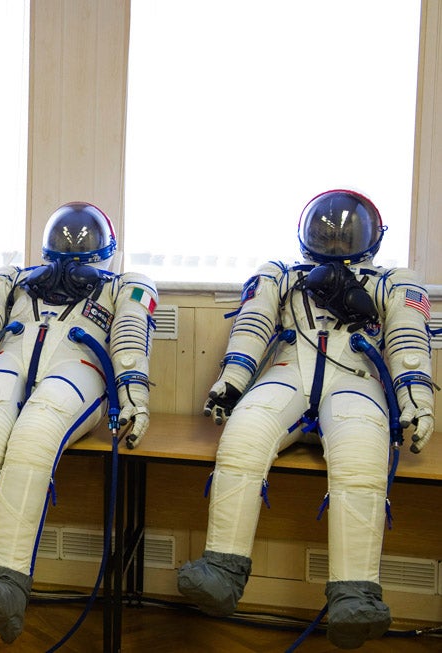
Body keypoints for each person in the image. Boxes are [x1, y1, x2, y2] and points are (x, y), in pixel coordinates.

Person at [177, 189, 436, 649]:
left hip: (356, 379)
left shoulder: (394, 282)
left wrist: (417, 400)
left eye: (346, 234)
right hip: (287, 371)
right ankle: (221, 567)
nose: (335, 241)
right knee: (244, 434)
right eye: (325, 233)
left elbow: (408, 342)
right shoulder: (280, 275)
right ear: (307, 233)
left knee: (360, 455)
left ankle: (355, 595)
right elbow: (252, 326)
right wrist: (232, 382)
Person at [0, 202, 157, 643]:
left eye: (84, 245)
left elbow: (130, 336)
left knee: (34, 438)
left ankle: (8, 583)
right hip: (9, 359)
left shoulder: (127, 285)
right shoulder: (14, 278)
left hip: (80, 368)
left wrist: (134, 398)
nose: (73, 253)